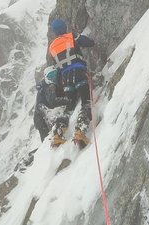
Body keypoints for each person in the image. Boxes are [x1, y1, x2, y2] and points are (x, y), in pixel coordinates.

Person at [48, 19, 95, 148]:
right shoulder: (71, 36)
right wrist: (91, 41)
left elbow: (57, 66)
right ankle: (80, 131)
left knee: (69, 107)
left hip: (66, 79)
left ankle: (57, 134)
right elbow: (87, 42)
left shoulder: (52, 46)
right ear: (64, 27)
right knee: (86, 102)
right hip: (79, 73)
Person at [33, 66, 71, 146]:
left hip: (40, 114)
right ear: (46, 77)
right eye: (50, 76)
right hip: (40, 116)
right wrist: (67, 100)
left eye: (54, 75)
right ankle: (50, 147)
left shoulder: (45, 85)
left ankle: (51, 145)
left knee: (47, 136)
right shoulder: (50, 86)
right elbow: (52, 102)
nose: (53, 78)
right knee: (46, 138)